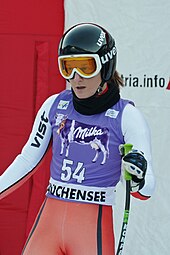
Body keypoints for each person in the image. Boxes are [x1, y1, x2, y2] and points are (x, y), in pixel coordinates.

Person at [0, 23, 155, 255]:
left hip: (90, 229)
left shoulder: (127, 117)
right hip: (49, 225)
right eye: (68, 68)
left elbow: (145, 189)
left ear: (105, 65)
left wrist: (138, 174)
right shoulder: (54, 104)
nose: (76, 78)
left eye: (85, 67)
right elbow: (27, 159)